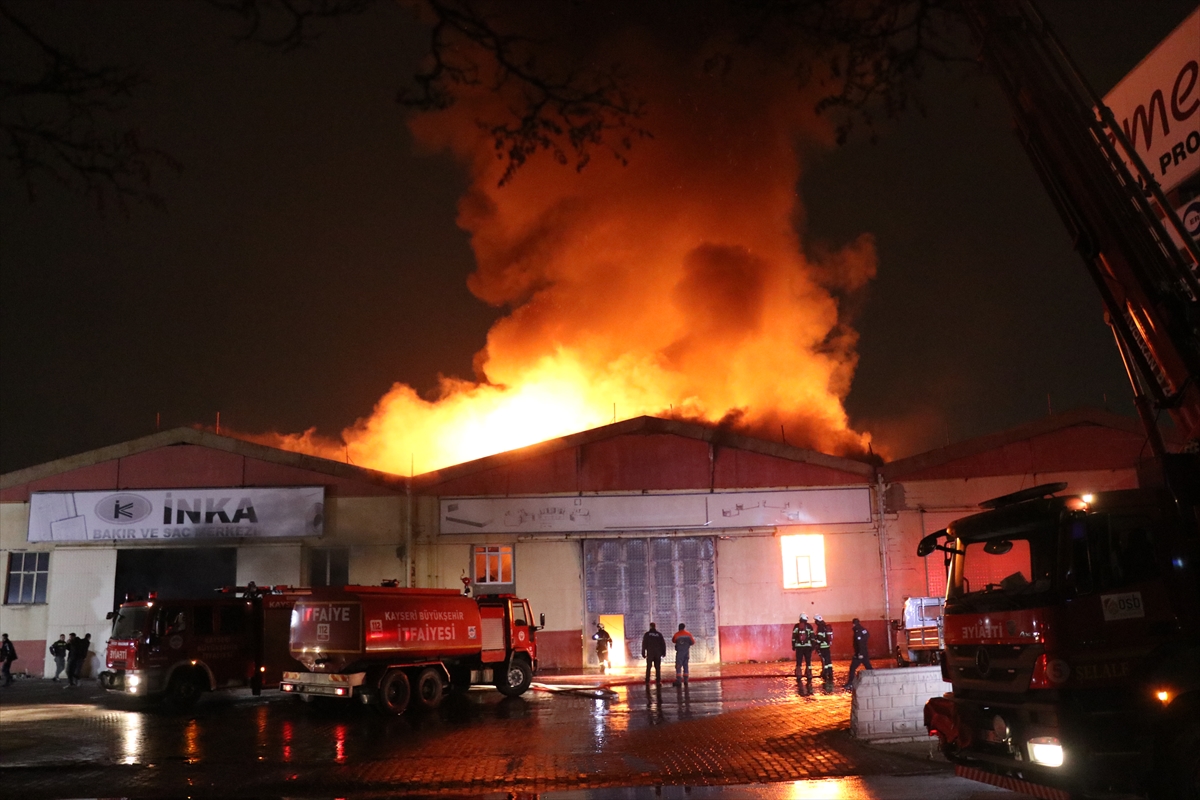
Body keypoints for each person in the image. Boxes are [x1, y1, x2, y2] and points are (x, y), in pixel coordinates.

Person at [846, 618, 873, 688]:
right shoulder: (863, 629)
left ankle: (850, 683)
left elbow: (859, 643)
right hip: (864, 652)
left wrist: (860, 653)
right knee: (868, 667)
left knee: (852, 668)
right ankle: (874, 679)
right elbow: (867, 635)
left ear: (853, 624)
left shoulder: (857, 631)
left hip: (860, 653)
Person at [791, 613, 815, 682]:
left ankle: (799, 674)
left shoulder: (796, 626)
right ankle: (809, 673)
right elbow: (812, 636)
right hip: (808, 646)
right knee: (808, 661)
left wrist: (793, 645)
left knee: (799, 661)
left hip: (799, 647)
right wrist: (813, 645)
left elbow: (794, 637)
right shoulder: (809, 626)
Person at [814, 615, 834, 683]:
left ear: (817, 621)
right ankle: (830, 673)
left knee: (824, 660)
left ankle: (825, 673)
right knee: (828, 661)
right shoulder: (826, 626)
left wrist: (817, 644)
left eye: (815, 621)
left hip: (822, 646)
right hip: (827, 646)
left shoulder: (820, 627)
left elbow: (820, 638)